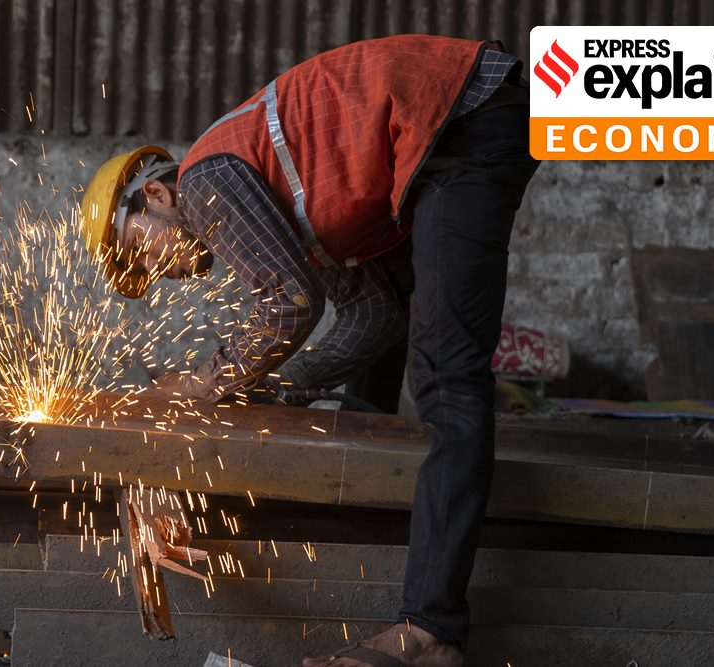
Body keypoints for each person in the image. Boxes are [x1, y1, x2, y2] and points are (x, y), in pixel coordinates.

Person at [80, 34, 540, 667]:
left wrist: (206, 384)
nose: (157, 271)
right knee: (396, 342)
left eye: (139, 249)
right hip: (453, 126)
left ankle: (432, 631)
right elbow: (373, 317)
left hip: (456, 117)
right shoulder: (297, 202)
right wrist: (281, 386)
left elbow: (289, 303)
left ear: (155, 198)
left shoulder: (205, 181)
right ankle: (372, 514)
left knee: (448, 380)